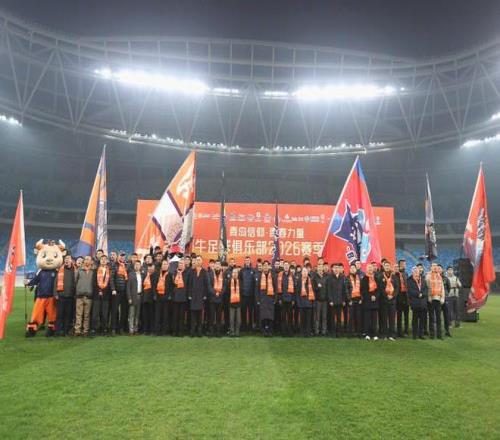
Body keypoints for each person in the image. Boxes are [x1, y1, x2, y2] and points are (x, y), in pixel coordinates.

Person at [54, 255, 75, 336]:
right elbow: (55, 282)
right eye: (65, 259)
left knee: (68, 315)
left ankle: (66, 331)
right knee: (59, 314)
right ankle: (57, 331)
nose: (66, 260)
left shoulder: (75, 270)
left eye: (68, 259)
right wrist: (55, 293)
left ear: (71, 260)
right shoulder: (60, 270)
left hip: (70, 296)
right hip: (61, 296)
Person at [74, 256, 96, 337]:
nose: (86, 261)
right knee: (78, 314)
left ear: (91, 261)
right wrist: (77, 290)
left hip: (89, 296)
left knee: (87, 315)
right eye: (85, 259)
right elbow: (75, 281)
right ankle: (77, 330)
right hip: (79, 296)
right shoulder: (79, 270)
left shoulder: (93, 271)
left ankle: (85, 330)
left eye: (88, 259)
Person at [188, 256, 208, 337]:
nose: (198, 261)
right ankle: (192, 332)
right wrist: (189, 294)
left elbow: (206, 284)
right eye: (197, 260)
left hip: (201, 296)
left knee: (200, 315)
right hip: (193, 296)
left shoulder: (204, 271)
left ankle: (199, 332)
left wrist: (205, 294)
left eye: (199, 260)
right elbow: (189, 284)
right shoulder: (191, 271)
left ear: (202, 261)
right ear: (195, 261)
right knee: (193, 315)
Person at [169, 260, 190, 337]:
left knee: (181, 316)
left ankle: (181, 331)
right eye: (179, 263)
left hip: (183, 297)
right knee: (175, 315)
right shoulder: (174, 273)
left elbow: (188, 285)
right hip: (175, 297)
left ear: (184, 265)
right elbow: (171, 285)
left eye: (182, 263)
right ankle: (174, 331)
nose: (180, 265)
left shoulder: (187, 273)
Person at [379, 260, 399, 341]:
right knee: (384, 318)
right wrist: (386, 295)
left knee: (392, 319)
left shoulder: (394, 276)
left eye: (388, 266)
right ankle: (384, 334)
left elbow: (397, 288)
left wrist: (392, 295)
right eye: (385, 266)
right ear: (383, 267)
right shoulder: (380, 276)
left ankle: (392, 334)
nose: (387, 267)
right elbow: (380, 288)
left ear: (390, 267)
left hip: (392, 301)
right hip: (384, 300)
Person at [255, 261, 276, 337]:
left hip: (270, 298)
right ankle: (264, 331)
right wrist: (257, 299)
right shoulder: (259, 276)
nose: (266, 267)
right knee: (263, 316)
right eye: (264, 266)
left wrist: (275, 298)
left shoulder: (273, 275)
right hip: (262, 299)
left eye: (267, 265)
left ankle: (270, 331)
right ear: (263, 267)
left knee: (270, 316)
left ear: (269, 267)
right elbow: (257, 289)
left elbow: (275, 287)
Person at [110, 252, 128, 335]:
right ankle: (113, 328)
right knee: (114, 310)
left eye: (123, 256)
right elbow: (111, 278)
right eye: (121, 256)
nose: (122, 257)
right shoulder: (115, 265)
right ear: (118, 257)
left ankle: (121, 328)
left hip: (124, 292)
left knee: (123, 311)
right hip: (116, 291)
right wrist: (113, 289)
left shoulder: (127, 266)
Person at [92, 255, 111, 336]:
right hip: (97, 295)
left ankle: (104, 329)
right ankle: (94, 329)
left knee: (104, 314)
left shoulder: (109, 270)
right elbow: (94, 282)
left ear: (107, 261)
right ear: (100, 261)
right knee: (95, 313)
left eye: (105, 259)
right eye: (102, 259)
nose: (103, 260)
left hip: (106, 295)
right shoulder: (95, 270)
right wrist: (99, 291)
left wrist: (104, 291)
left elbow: (110, 283)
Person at [408, 266, 428, 339]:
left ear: (419, 272)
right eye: (415, 271)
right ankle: (414, 335)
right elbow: (410, 291)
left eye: (417, 271)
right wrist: (418, 294)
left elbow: (426, 289)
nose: (416, 272)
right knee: (415, 320)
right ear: (412, 272)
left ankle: (421, 334)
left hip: (422, 303)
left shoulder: (423, 280)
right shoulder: (409, 280)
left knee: (422, 320)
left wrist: (422, 294)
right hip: (415, 303)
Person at [426, 263, 445, 339]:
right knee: (431, 317)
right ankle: (432, 334)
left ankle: (439, 334)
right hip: (431, 299)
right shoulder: (428, 276)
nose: (435, 267)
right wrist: (429, 297)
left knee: (438, 317)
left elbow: (442, 288)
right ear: (430, 267)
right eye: (433, 266)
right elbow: (427, 287)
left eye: (436, 266)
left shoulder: (439, 276)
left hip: (438, 299)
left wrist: (442, 298)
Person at [361, 263, 379, 340]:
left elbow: (379, 289)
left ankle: (374, 334)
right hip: (367, 302)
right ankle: (367, 334)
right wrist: (370, 296)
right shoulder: (364, 279)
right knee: (367, 319)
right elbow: (363, 290)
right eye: (369, 268)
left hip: (375, 302)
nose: (370, 269)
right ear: (366, 269)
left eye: (371, 268)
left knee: (374, 319)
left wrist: (375, 296)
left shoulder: (376, 278)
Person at [277, 261, 295, 337]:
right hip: (283, 299)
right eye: (285, 265)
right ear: (283, 267)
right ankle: (283, 332)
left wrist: (293, 299)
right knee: (283, 317)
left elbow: (295, 289)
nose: (286, 267)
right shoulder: (280, 275)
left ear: (289, 267)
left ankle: (290, 332)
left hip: (290, 300)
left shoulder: (292, 276)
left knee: (290, 317)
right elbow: (278, 288)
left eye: (287, 265)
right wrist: (279, 299)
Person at [327, 263, 345, 338]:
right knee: (332, 318)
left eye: (337, 267)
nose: (336, 269)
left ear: (339, 269)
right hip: (333, 302)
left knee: (339, 318)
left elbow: (344, 290)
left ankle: (339, 333)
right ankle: (333, 333)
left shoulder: (342, 277)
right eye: (335, 268)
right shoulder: (330, 278)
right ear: (332, 269)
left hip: (340, 301)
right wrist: (330, 300)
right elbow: (329, 290)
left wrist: (343, 300)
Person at [207, 260, 225, 337]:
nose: (217, 265)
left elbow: (225, 286)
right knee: (211, 316)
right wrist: (215, 293)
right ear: (214, 266)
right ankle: (211, 331)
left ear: (220, 266)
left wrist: (220, 293)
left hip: (220, 299)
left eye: (219, 264)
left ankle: (218, 332)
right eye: (216, 264)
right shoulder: (210, 274)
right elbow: (209, 286)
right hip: (212, 298)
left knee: (219, 316)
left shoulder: (223, 274)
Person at [296, 266, 314, 337]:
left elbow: (313, 292)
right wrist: (298, 302)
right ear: (301, 273)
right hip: (301, 303)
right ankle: (302, 332)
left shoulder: (311, 280)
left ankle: (308, 333)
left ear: (308, 272)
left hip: (309, 303)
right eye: (303, 271)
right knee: (302, 319)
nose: (304, 273)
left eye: (306, 271)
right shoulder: (299, 281)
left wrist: (312, 302)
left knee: (308, 320)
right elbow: (297, 293)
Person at [239, 256, 256, 333]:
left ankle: (250, 328)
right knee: (243, 312)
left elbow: (255, 283)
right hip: (243, 295)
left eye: (248, 260)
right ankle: (243, 327)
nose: (247, 261)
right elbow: (239, 281)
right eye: (246, 260)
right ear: (244, 262)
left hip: (251, 295)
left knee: (250, 312)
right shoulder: (241, 271)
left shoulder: (253, 270)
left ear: (250, 261)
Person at [345, 263, 363, 338]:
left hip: (359, 300)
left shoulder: (360, 277)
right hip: (351, 300)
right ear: (350, 269)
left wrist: (362, 299)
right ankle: (350, 333)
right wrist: (349, 300)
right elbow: (346, 290)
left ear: (356, 269)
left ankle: (359, 333)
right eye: (351, 268)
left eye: (354, 268)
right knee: (351, 317)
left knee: (358, 317)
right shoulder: (347, 278)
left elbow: (362, 289)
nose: (352, 269)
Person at [311, 261, 328, 336]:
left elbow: (328, 288)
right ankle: (316, 331)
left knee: (324, 317)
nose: (320, 269)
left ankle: (324, 331)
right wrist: (318, 287)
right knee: (317, 317)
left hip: (325, 300)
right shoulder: (314, 278)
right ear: (317, 269)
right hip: (317, 300)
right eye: (319, 268)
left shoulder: (326, 277)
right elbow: (313, 289)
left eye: (321, 268)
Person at [126, 260, 143, 335]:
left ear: (140, 266)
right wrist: (129, 298)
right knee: (131, 314)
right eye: (136, 265)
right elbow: (128, 287)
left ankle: (136, 329)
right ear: (134, 266)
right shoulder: (131, 274)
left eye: (138, 265)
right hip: (133, 296)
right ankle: (131, 330)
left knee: (137, 314)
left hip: (140, 296)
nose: (137, 266)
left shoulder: (142, 274)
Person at [154, 260, 169, 335]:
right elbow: (154, 285)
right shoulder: (157, 274)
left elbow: (171, 287)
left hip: (166, 297)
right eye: (163, 264)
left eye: (166, 264)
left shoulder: (170, 275)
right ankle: (157, 331)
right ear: (161, 266)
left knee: (165, 315)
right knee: (157, 314)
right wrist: (154, 295)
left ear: (168, 266)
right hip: (158, 297)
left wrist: (169, 296)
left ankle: (164, 331)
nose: (164, 265)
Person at [396, 259, 410, 337]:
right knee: (399, 315)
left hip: (406, 296)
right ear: (400, 265)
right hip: (399, 296)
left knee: (406, 315)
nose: (404, 265)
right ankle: (399, 331)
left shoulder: (406, 273)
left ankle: (406, 330)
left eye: (405, 264)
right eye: (403, 264)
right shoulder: (396, 274)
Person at [141, 264, 156, 335]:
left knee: (151, 315)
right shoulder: (145, 276)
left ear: (154, 269)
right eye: (149, 268)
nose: (150, 270)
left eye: (151, 268)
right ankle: (145, 330)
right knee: (145, 315)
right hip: (144, 298)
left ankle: (152, 330)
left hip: (152, 299)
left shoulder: (155, 276)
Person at [438, 264, 452, 337]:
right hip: (437, 299)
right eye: (438, 268)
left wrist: (445, 295)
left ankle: (447, 331)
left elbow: (449, 288)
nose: (439, 270)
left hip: (445, 299)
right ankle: (439, 331)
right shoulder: (435, 278)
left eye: (440, 268)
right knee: (438, 316)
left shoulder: (446, 279)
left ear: (442, 270)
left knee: (446, 316)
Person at [228, 267, 242, 337]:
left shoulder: (240, 282)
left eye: (236, 272)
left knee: (238, 320)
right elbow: (227, 293)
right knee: (231, 319)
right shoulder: (229, 282)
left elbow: (242, 292)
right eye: (233, 272)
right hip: (231, 303)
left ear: (238, 274)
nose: (235, 274)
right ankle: (232, 332)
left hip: (238, 303)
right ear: (232, 274)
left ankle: (237, 332)